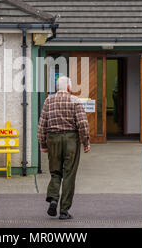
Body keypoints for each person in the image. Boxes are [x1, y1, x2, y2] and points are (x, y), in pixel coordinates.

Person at [37, 76, 91, 220]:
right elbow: (82, 124)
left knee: (55, 172)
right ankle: (64, 211)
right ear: (68, 87)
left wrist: (42, 144)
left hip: (53, 139)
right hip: (70, 140)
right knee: (69, 175)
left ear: (57, 88)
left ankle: (53, 199)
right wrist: (86, 142)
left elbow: (42, 124)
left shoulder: (48, 100)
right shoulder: (75, 100)